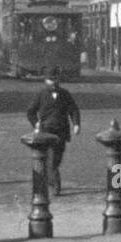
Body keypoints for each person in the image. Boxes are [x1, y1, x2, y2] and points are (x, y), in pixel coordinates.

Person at [26, 67, 81, 195]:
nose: (53, 82)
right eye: (50, 80)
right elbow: (30, 112)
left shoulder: (65, 94)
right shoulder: (41, 95)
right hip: (46, 132)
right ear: (45, 80)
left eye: (55, 79)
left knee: (56, 159)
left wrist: (76, 124)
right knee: (51, 159)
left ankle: (51, 179)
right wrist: (36, 124)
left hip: (61, 132)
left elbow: (73, 110)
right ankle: (56, 184)